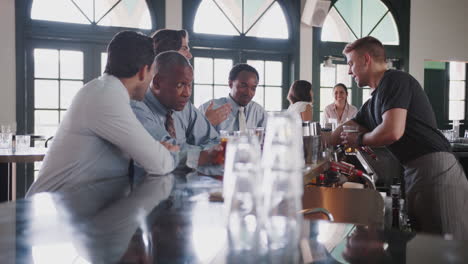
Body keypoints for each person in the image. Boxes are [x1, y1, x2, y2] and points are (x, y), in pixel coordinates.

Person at [333, 36, 468, 240]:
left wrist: (359, 140)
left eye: (351, 63)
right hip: (414, 172)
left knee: (449, 248)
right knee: (427, 248)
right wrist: (309, 139)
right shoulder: (372, 103)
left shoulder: (394, 80)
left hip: (436, 169)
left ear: (366, 59)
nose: (348, 71)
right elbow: (339, 133)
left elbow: (393, 131)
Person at [26, 31, 177, 196]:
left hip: (72, 206)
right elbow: (161, 164)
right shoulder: (107, 97)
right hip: (49, 210)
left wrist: (155, 151)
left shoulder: (104, 90)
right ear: (142, 71)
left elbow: (143, 156)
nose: (150, 80)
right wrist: (168, 151)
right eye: (152, 73)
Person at [131, 51, 221, 177]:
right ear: (157, 82)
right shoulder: (137, 108)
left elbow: (214, 142)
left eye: (189, 85)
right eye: (180, 85)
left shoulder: (185, 106)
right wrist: (203, 155)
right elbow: (164, 152)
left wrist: (201, 154)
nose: (187, 93)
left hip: (185, 186)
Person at [199, 63, 267, 132]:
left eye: (253, 88)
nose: (248, 93)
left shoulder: (260, 113)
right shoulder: (208, 109)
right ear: (230, 84)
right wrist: (206, 124)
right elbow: (194, 139)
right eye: (243, 86)